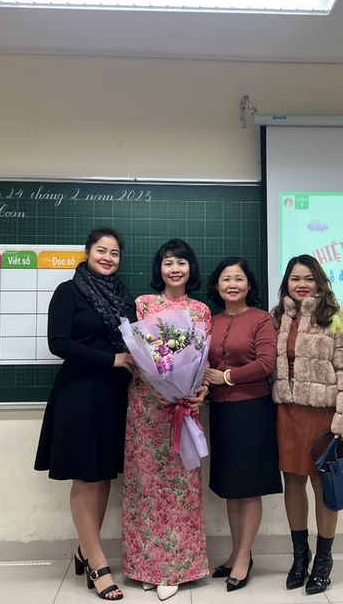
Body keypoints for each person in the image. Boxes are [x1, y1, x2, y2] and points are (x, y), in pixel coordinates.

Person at [35, 227, 137, 601]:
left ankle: (84, 549)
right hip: (79, 393)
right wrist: (112, 359)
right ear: (88, 252)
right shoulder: (69, 290)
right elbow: (58, 343)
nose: (108, 257)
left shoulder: (124, 298)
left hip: (113, 395)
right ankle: (97, 564)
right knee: (86, 477)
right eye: (101, 250)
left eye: (114, 253)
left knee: (103, 472)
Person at [270, 254, 343, 595]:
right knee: (293, 483)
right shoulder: (277, 316)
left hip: (324, 417)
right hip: (287, 413)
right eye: (295, 278)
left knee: (325, 487)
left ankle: (323, 561)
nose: (301, 285)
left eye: (308, 278)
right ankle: (300, 558)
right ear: (287, 283)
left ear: (319, 281)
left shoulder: (338, 318)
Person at [122, 239, 211, 601]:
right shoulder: (145, 303)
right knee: (146, 486)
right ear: (159, 269)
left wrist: (200, 389)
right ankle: (146, 565)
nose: (175, 269)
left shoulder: (202, 310)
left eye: (182, 263)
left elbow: (203, 356)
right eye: (168, 263)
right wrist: (152, 385)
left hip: (184, 404)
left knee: (180, 489)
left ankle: (176, 568)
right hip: (147, 405)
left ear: (191, 268)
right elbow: (138, 354)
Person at [204, 257, 281, 592]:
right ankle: (237, 552)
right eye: (225, 279)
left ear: (249, 284)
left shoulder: (262, 319)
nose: (232, 284)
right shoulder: (210, 320)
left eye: (238, 278)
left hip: (252, 410)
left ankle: (244, 556)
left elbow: (266, 363)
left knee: (248, 488)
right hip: (220, 411)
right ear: (217, 286)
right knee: (231, 488)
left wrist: (226, 377)